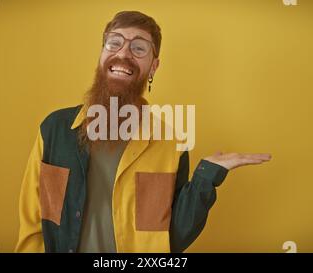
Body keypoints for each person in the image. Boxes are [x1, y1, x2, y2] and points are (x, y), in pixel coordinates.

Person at [15, 10, 271, 253]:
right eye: (114, 43)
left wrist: (207, 175)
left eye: (139, 48)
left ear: (154, 67)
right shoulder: (54, 129)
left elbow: (171, 237)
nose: (123, 54)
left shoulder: (171, 144)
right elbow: (33, 223)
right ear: (101, 54)